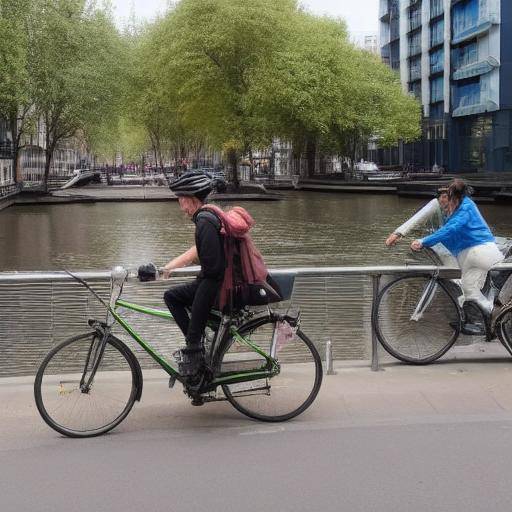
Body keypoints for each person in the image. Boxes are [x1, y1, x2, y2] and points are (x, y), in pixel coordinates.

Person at [162, 171, 226, 381]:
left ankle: (198, 362)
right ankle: (199, 353)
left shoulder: (205, 221)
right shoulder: (207, 216)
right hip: (208, 281)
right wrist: (169, 267)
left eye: (181, 200)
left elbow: (213, 269)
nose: (181, 207)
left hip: (211, 284)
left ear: (190, 199)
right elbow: (197, 251)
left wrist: (201, 298)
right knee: (172, 296)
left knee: (192, 338)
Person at [411, 179, 504, 316]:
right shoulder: (465, 206)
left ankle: (493, 316)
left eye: (447, 197)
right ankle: (491, 318)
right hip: (480, 254)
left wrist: (423, 241)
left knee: (471, 291)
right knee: (469, 290)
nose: (445, 201)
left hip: (479, 253)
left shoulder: (464, 208)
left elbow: (449, 230)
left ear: (453, 196)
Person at [385, 187, 458, 266]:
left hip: (460, 250)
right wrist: (399, 234)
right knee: (416, 247)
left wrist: (423, 241)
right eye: (440, 197)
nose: (441, 200)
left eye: (445, 197)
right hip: (446, 247)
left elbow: (448, 232)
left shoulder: (461, 210)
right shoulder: (437, 205)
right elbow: (418, 217)